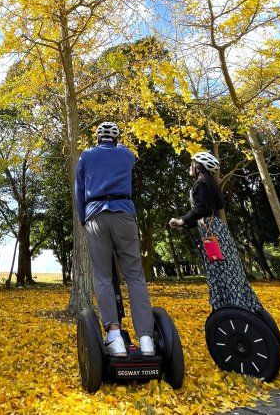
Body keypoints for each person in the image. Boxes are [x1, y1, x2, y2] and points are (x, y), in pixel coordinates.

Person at [75, 121, 155, 358]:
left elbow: (80, 189)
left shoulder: (86, 156)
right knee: (134, 275)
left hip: (96, 214)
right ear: (117, 138)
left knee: (102, 276)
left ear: (98, 138)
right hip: (124, 214)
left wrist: (83, 219)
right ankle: (146, 338)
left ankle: (114, 336)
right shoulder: (128, 155)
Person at [169, 151, 262, 313]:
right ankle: (240, 304)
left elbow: (202, 209)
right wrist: (187, 223)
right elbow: (210, 208)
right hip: (217, 229)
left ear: (198, 166)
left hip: (210, 231)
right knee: (227, 266)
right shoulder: (210, 182)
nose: (190, 167)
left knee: (217, 268)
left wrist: (181, 220)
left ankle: (226, 308)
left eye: (192, 163)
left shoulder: (201, 183)